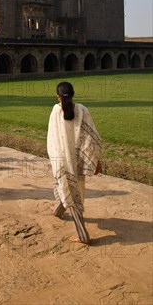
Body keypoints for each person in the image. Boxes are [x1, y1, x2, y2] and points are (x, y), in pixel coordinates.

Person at [47, 81, 102, 245]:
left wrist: (56, 158)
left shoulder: (56, 110)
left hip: (62, 159)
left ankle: (83, 235)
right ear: (73, 94)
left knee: (69, 190)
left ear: (57, 96)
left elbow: (52, 139)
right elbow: (91, 138)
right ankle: (58, 210)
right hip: (78, 160)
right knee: (69, 187)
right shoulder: (83, 110)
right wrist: (95, 160)